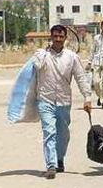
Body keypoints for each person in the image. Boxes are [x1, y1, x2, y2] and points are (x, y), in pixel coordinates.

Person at [33, 25, 91, 179]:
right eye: (55, 37)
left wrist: (87, 97)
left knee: (63, 134)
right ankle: (51, 165)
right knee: (49, 132)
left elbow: (80, 77)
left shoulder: (72, 57)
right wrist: (44, 54)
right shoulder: (41, 54)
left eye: (61, 37)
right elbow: (36, 66)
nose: (58, 40)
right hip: (45, 100)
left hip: (64, 101)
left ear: (65, 38)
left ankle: (59, 159)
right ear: (50, 37)